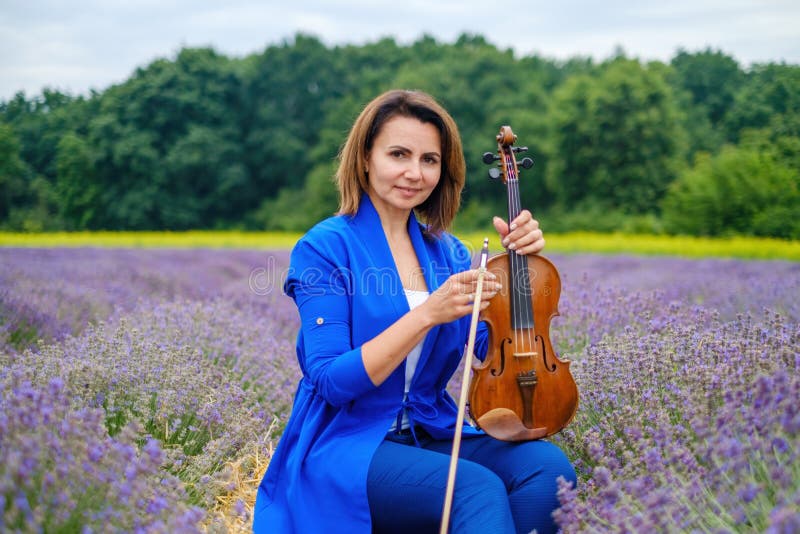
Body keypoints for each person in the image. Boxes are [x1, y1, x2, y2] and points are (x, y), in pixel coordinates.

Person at [253, 89, 576, 534]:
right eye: (398, 154)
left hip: (430, 429)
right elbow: (330, 381)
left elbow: (486, 346)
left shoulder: (448, 251)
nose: (414, 172)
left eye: (429, 159)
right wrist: (426, 313)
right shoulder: (323, 248)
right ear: (365, 158)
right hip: (349, 442)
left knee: (547, 471)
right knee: (474, 489)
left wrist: (519, 270)